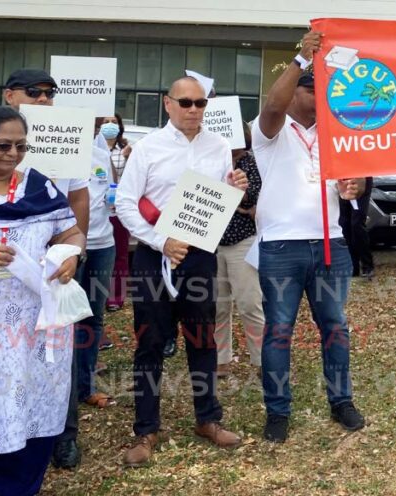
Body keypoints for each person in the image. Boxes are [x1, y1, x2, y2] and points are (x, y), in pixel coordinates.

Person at [0, 106, 85, 494]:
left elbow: (72, 232)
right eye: (3, 145)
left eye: (21, 147)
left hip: (30, 337)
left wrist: (70, 255)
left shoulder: (40, 188)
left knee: (24, 419)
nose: (12, 155)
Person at [116, 76, 248, 466]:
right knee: (150, 343)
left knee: (203, 338)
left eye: (201, 103)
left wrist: (233, 187)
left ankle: (207, 419)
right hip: (155, 256)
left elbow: (218, 202)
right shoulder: (148, 148)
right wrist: (161, 242)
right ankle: (146, 429)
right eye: (186, 103)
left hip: (199, 255)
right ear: (167, 104)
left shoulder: (220, 146)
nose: (194, 110)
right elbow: (125, 203)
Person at [252, 32, 366, 443]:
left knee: (335, 326)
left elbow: (357, 179)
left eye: (323, 86)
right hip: (282, 246)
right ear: (297, 89)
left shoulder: (339, 132)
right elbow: (272, 105)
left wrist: (355, 186)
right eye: (312, 86)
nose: (320, 93)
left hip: (330, 242)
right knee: (279, 330)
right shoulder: (269, 132)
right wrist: (301, 59)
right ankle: (278, 411)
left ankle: (342, 401)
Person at [72, 128, 117, 412]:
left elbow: (110, 196)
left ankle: (84, 387)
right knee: (63, 321)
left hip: (103, 245)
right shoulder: (54, 150)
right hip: (66, 246)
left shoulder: (101, 154)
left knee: (92, 318)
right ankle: (60, 387)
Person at [215, 122, 264, 376]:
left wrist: (239, 197)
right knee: (217, 305)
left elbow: (254, 197)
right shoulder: (211, 160)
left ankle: (261, 360)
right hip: (212, 243)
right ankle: (220, 359)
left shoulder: (250, 162)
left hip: (241, 241)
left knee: (249, 302)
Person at [99, 114, 132, 314]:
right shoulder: (91, 150)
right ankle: (97, 293)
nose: (110, 126)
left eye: (114, 122)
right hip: (96, 209)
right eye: (105, 122)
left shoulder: (126, 150)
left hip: (118, 209)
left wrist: (130, 158)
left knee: (120, 254)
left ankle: (115, 296)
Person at [338, 176, 375, 278]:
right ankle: (353, 267)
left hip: (361, 178)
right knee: (344, 225)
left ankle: (367, 265)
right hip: (343, 178)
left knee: (357, 224)